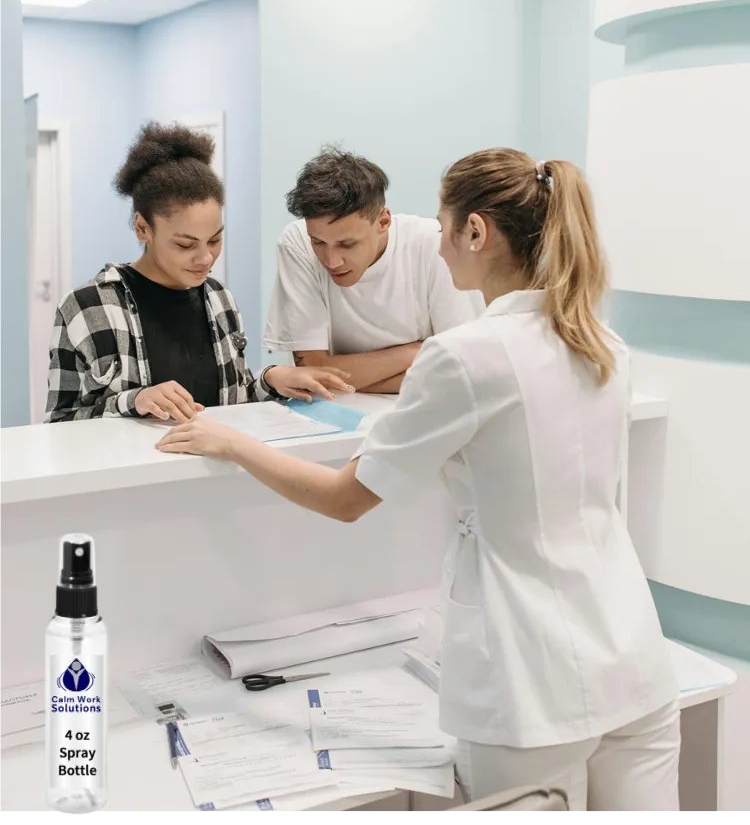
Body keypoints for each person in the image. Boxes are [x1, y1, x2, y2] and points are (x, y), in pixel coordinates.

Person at [157, 148, 681, 812]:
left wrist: (232, 441)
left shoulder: (466, 356)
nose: (433, 244)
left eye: (440, 226)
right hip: (634, 657)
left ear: (475, 231)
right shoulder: (603, 342)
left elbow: (345, 497)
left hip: (530, 682)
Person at [45, 123, 351, 423]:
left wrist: (270, 380)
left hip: (213, 472)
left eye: (215, 240)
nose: (205, 257)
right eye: (185, 244)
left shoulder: (219, 298)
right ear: (142, 228)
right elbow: (59, 423)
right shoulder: (86, 308)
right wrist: (134, 401)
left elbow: (230, 400)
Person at [263, 147, 485, 393]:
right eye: (319, 242)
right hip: (337, 417)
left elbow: (459, 367)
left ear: (383, 222)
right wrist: (422, 350)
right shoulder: (297, 242)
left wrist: (354, 379)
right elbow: (315, 371)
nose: (332, 260)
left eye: (347, 244)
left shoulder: (434, 243)